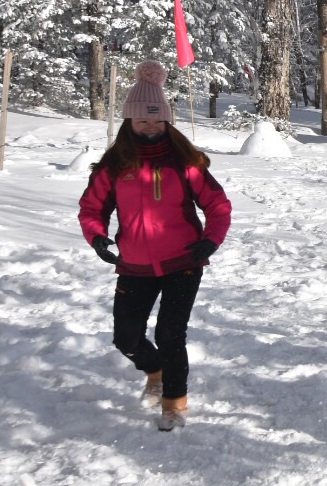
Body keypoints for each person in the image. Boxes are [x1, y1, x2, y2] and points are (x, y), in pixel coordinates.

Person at [77, 61, 231, 431]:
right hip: (135, 264)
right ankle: (154, 368)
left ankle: (174, 404)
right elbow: (92, 208)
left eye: (157, 120)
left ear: (167, 121)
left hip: (185, 260)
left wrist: (210, 241)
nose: (150, 127)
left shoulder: (186, 162)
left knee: (169, 335)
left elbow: (217, 205)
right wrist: (97, 237)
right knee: (126, 337)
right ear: (130, 122)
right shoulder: (115, 165)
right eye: (142, 121)